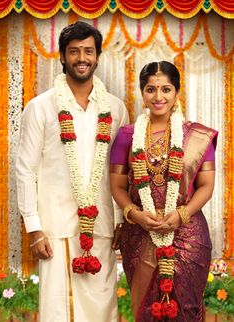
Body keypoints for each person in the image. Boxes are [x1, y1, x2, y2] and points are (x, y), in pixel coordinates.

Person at [16, 21, 128, 322]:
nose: (82, 58)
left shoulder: (116, 110)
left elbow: (121, 172)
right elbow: (25, 170)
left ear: (98, 56)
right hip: (55, 229)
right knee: (58, 312)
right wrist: (35, 228)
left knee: (102, 311)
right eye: (74, 51)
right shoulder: (40, 108)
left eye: (88, 51)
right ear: (63, 57)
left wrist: (120, 220)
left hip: (101, 226)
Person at [110, 61, 217, 321]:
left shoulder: (197, 135)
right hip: (139, 234)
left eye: (166, 89)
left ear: (177, 93)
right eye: (151, 89)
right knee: (145, 309)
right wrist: (135, 214)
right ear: (142, 94)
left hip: (188, 236)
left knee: (187, 309)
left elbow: (206, 186)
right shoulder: (127, 135)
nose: (158, 97)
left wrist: (182, 213)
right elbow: (117, 186)